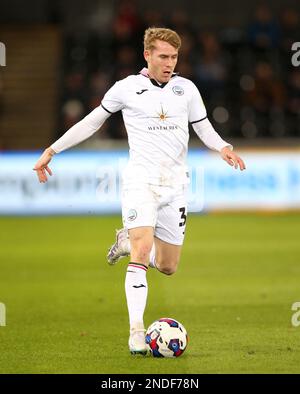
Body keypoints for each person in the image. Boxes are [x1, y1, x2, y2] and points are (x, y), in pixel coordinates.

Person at [33, 27, 246, 355]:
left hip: (176, 187)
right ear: (147, 54)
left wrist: (223, 146)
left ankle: (124, 239)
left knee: (168, 266)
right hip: (140, 182)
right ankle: (136, 331)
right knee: (142, 251)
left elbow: (203, 126)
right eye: (163, 56)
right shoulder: (127, 88)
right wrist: (53, 149)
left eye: (174, 57)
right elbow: (92, 122)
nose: (169, 63)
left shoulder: (186, 89)